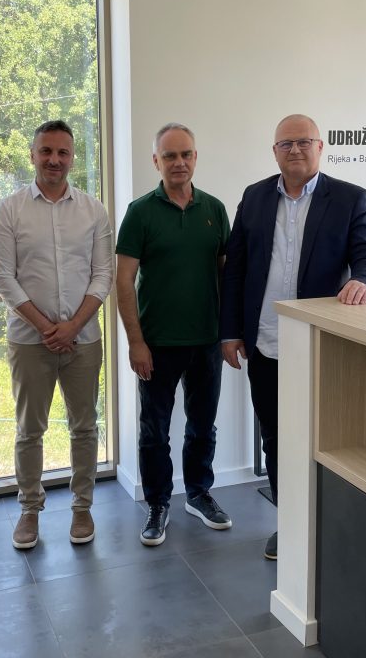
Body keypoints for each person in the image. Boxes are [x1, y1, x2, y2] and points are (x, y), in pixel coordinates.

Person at [220, 114, 366, 560]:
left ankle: (328, 524)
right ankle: (290, 523)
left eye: (303, 142)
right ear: (274, 151)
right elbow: (235, 268)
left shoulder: (350, 198)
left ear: (320, 147)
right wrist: (230, 331)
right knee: (275, 439)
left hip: (319, 347)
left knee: (326, 439)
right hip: (265, 343)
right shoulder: (254, 197)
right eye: (286, 144)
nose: (295, 150)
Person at [0, 119, 113, 551]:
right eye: (46, 151)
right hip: (30, 342)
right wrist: (47, 327)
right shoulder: (10, 210)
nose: (54, 160)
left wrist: (73, 326)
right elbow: (3, 278)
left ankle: (82, 507)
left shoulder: (93, 211)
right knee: (29, 430)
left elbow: (103, 275)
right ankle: (29, 509)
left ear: (72, 158)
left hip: (84, 340)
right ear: (32, 155)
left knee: (85, 427)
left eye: (62, 152)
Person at [116, 123, 232, 546]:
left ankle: (198, 494)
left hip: (207, 341)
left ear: (195, 157)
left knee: (203, 426)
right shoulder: (140, 212)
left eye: (185, 154)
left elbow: (226, 275)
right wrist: (136, 342)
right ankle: (158, 503)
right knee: (155, 431)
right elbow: (123, 281)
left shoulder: (215, 209)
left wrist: (229, 333)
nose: (178, 162)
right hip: (157, 345)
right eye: (169, 156)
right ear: (156, 161)